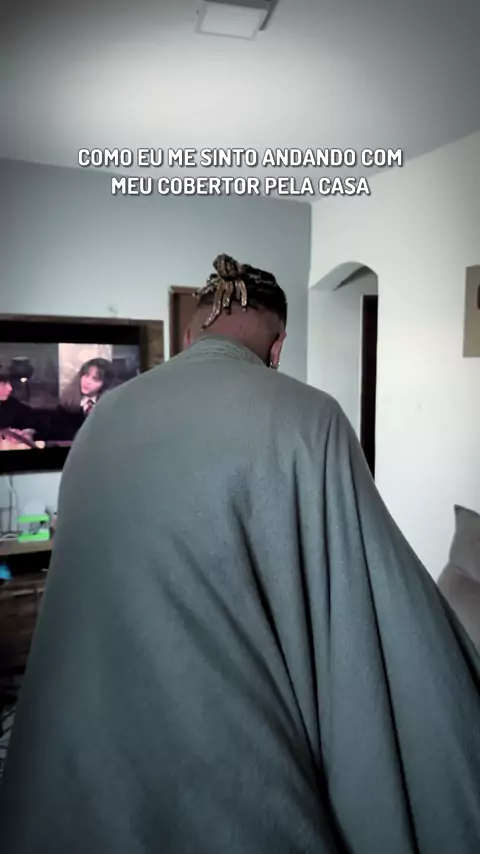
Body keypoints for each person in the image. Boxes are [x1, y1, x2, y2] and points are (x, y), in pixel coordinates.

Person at [0, 254, 479, 854]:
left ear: (190, 334)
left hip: (76, 746)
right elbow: (368, 600)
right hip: (228, 759)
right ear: (278, 347)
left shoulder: (105, 418)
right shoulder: (309, 417)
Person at [53, 357, 115, 441]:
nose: (87, 382)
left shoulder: (110, 408)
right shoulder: (63, 408)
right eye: (86, 375)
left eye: (95, 379)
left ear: (105, 384)